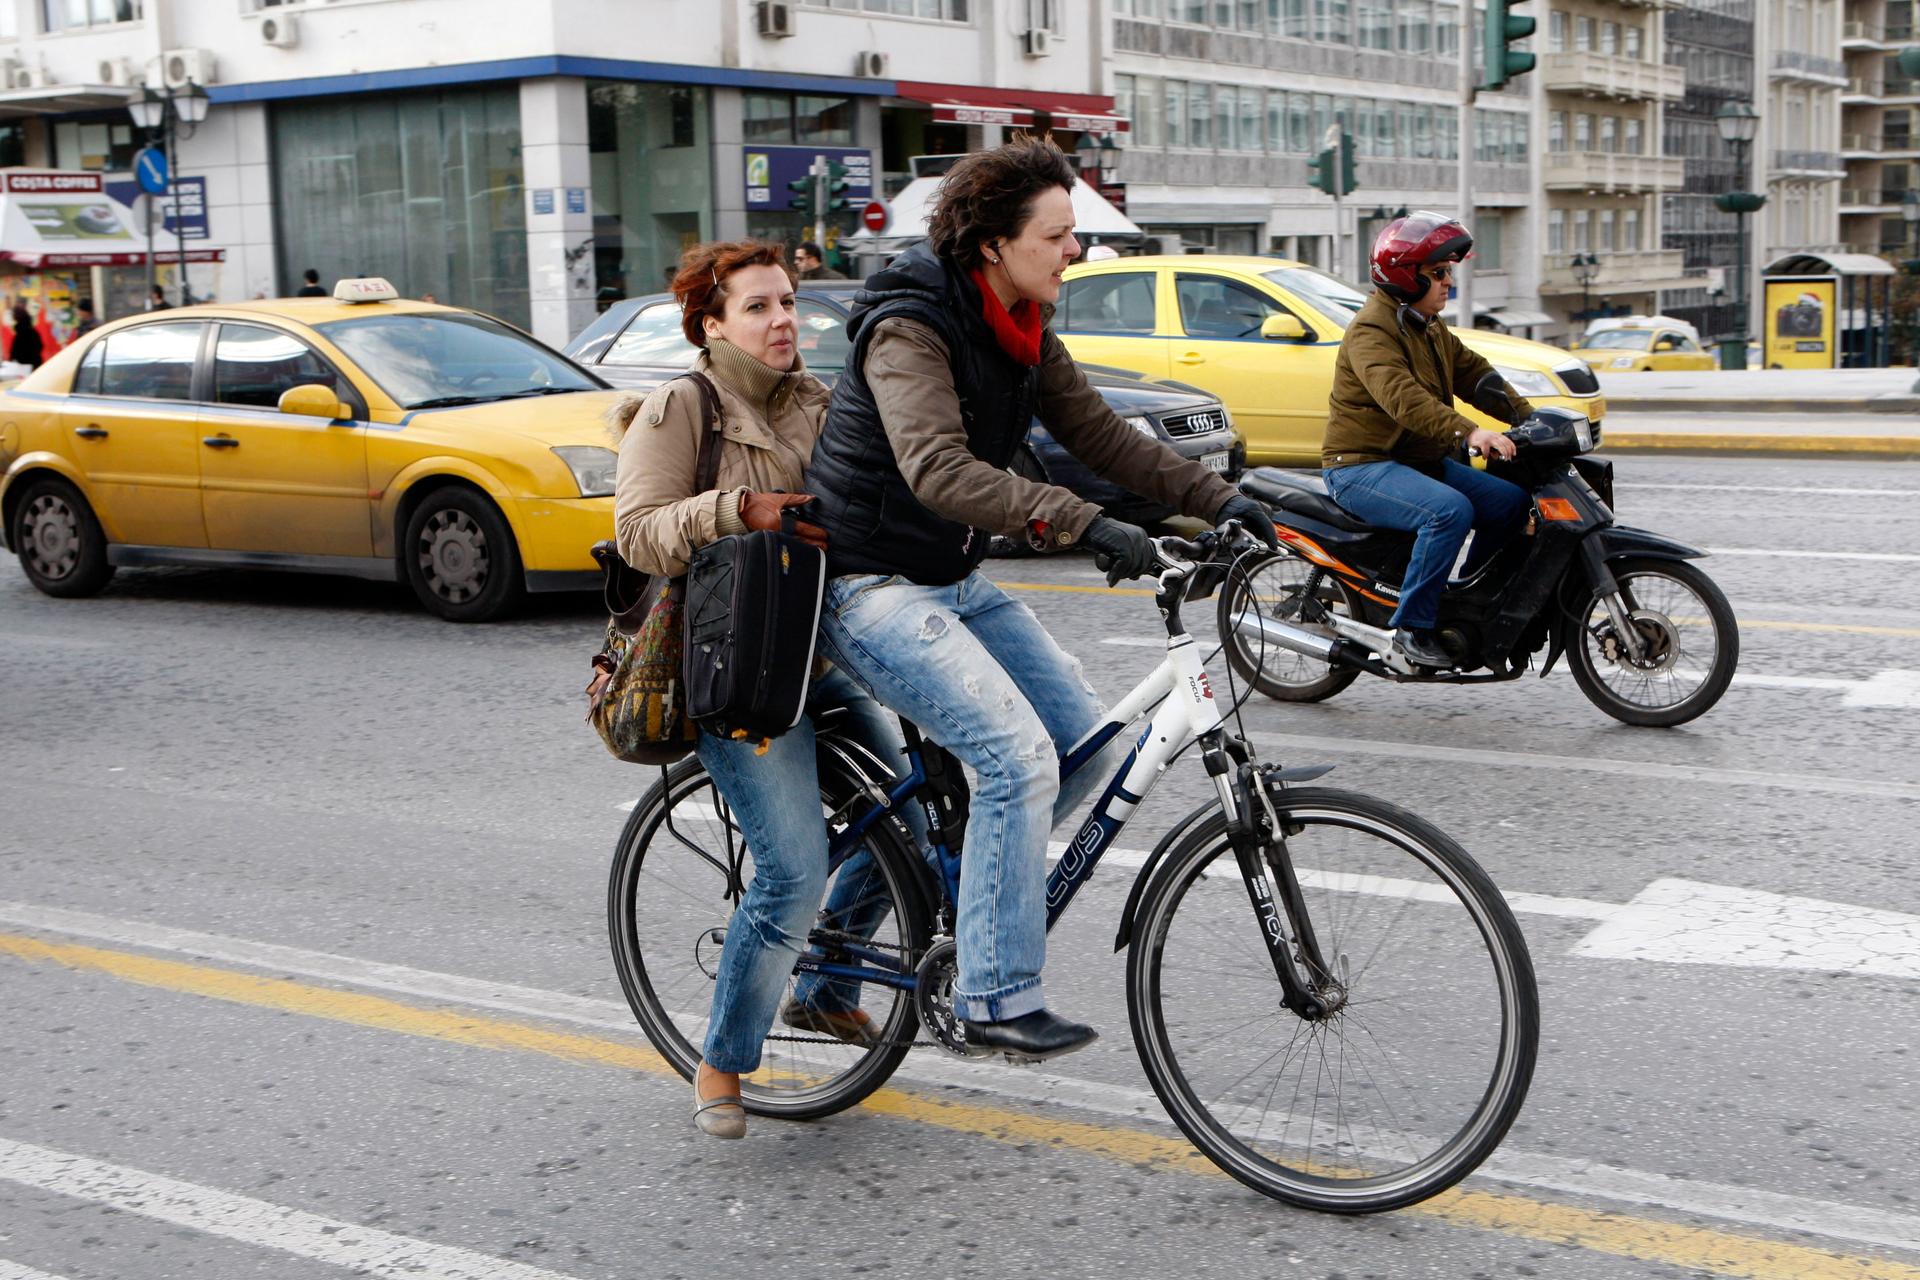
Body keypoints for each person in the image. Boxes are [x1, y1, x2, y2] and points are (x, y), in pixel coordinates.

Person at [804, 137, 1278, 1063]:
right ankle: (992, 994)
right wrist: (1080, 523)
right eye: (1058, 234)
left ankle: (834, 969)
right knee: (1016, 760)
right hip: (865, 583)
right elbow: (936, 467)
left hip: (946, 575)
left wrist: (1221, 498)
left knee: (1078, 747)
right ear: (992, 242)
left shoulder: (1020, 325)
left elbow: (1101, 433)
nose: (1076, 252)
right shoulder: (912, 327)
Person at [612, 240, 925, 1141]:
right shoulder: (682, 408)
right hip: (737, 675)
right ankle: (722, 1057)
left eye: (788, 302)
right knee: (792, 871)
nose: (783, 319)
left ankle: (825, 988)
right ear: (713, 325)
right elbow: (635, 534)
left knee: (910, 819)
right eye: (758, 306)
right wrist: (733, 511)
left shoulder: (823, 405)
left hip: (822, 659)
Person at [1320, 211, 1533, 671]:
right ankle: (1412, 629)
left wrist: (1531, 419)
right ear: (1404, 276)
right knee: (1448, 512)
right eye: (1438, 274)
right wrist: (1469, 431)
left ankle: (1473, 602)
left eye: (1449, 273)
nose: (1448, 283)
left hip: (1415, 460)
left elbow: (1473, 374)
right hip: (1360, 465)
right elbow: (1402, 398)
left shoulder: (1427, 324)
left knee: (1512, 503)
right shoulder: (1372, 330)